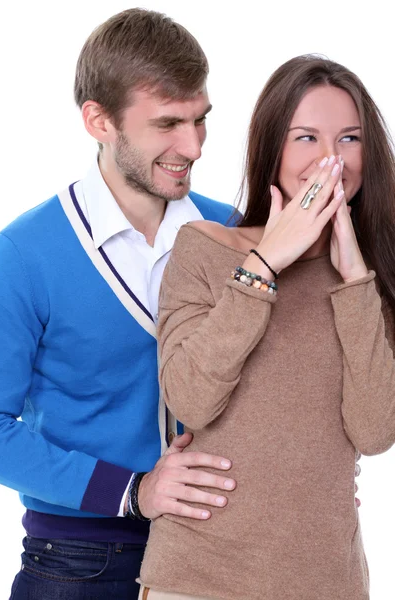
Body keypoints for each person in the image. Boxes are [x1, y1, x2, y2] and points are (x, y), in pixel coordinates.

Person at [0, 9, 238, 600]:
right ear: (98, 121)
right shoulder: (24, 254)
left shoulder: (232, 230)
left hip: (222, 548)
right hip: (79, 561)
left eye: (200, 120)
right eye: (168, 124)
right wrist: (133, 491)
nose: (194, 146)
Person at [138, 54, 395, 600]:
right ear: (271, 147)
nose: (331, 158)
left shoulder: (373, 280)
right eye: (306, 137)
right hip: (197, 579)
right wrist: (263, 266)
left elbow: (374, 433)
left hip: (328, 582)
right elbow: (191, 397)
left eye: (349, 139)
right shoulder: (204, 248)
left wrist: (354, 280)